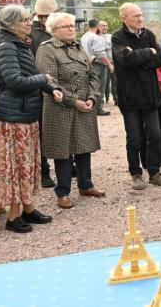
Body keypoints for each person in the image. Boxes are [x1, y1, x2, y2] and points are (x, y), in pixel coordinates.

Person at [0, 6, 62, 233]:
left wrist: (51, 88)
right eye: (23, 20)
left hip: (26, 114)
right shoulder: (6, 46)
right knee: (15, 167)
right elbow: (14, 80)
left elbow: (29, 76)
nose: (27, 23)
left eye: (27, 19)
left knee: (28, 165)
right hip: (14, 118)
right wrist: (44, 78)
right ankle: (13, 216)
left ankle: (28, 209)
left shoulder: (21, 44)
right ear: (10, 24)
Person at [36, 13, 105, 209]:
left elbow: (93, 75)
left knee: (84, 146)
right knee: (63, 150)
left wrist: (92, 97)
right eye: (65, 26)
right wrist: (74, 101)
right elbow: (50, 81)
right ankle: (62, 192)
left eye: (72, 25)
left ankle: (86, 184)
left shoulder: (78, 46)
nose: (71, 29)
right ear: (54, 30)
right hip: (61, 107)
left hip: (85, 104)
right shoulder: (47, 49)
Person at [112, 3, 161, 189]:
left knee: (155, 134)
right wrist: (148, 53)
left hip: (150, 95)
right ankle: (135, 173)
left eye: (141, 15)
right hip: (129, 97)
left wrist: (141, 59)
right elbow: (125, 59)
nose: (140, 19)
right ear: (124, 18)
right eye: (135, 16)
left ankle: (154, 172)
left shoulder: (148, 34)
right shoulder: (118, 36)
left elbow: (160, 59)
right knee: (135, 137)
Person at [28, 0, 58, 187]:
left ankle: (62, 164)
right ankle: (44, 171)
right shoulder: (35, 35)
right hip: (42, 88)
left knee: (54, 129)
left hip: (50, 87)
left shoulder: (43, 32)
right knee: (42, 133)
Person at [80, 18, 113, 116]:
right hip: (98, 65)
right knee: (99, 87)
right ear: (98, 26)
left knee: (91, 86)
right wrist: (110, 64)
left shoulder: (84, 36)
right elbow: (100, 55)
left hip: (87, 63)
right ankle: (98, 108)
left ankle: (90, 106)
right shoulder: (96, 38)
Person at [98, 20, 116, 105]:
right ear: (99, 27)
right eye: (103, 25)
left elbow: (110, 46)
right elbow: (104, 48)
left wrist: (105, 47)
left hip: (113, 61)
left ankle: (116, 99)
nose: (105, 27)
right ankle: (104, 99)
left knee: (115, 81)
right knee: (104, 82)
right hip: (103, 63)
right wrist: (107, 46)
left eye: (106, 25)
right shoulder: (96, 37)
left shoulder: (111, 36)